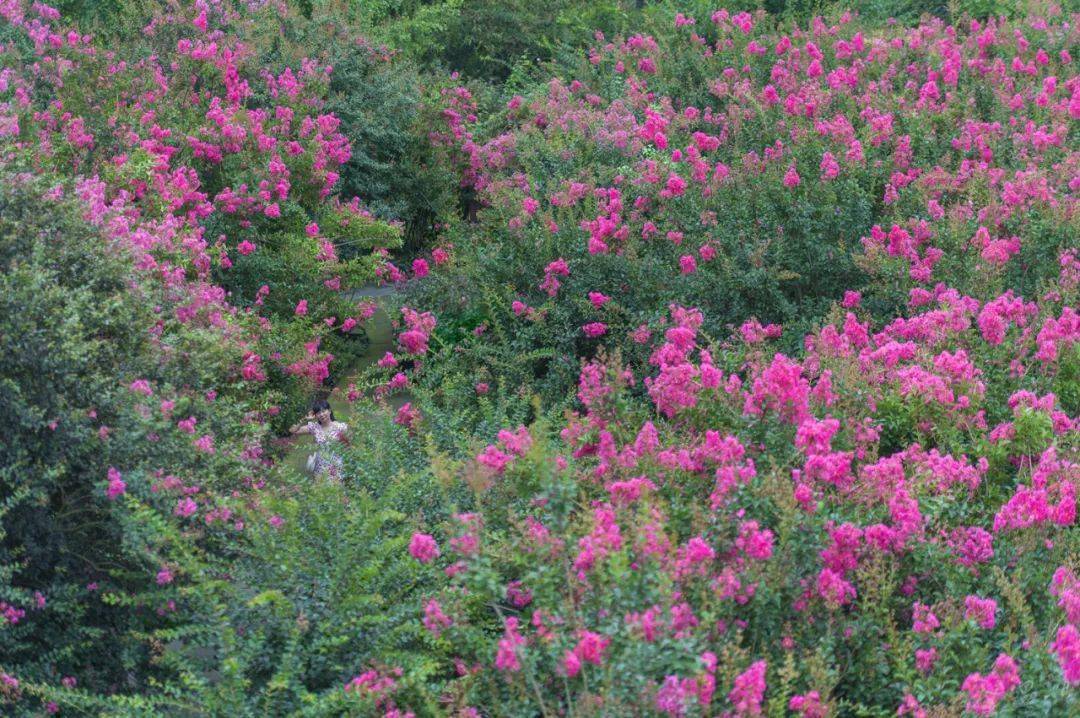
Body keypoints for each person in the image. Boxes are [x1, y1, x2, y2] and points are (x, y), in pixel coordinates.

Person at [289, 399, 348, 477]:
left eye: (324, 411)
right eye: (318, 413)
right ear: (315, 415)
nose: (321, 414)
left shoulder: (340, 427)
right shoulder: (315, 427)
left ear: (329, 411)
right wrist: (305, 419)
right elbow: (292, 430)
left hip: (337, 467)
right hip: (321, 469)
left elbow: (347, 447)